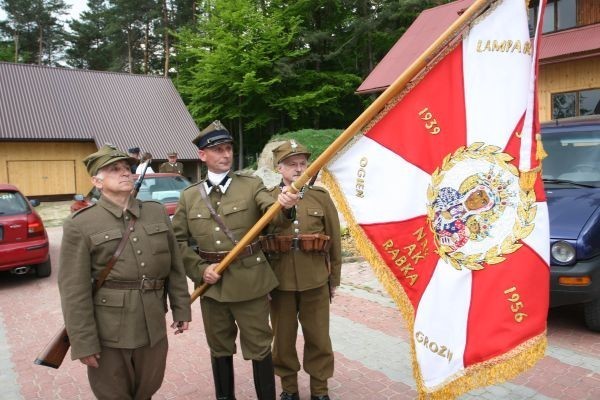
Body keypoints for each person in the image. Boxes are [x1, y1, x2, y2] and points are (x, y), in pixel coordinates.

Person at [172, 121, 299, 400]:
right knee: (219, 349)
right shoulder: (190, 196)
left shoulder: (251, 185)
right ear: (203, 156)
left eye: (228, 148)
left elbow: (273, 218)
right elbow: (177, 242)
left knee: (259, 347)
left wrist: (285, 206)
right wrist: (200, 269)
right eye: (217, 150)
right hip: (212, 287)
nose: (226, 154)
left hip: (250, 283)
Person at [58, 144, 192, 400]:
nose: (124, 173)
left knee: (147, 390)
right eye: (113, 169)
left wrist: (181, 308)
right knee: (114, 394)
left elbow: (175, 267)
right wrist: (83, 341)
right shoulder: (81, 224)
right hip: (109, 332)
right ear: (96, 180)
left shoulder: (155, 212)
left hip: (153, 323)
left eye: (126, 168)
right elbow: (73, 290)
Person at [261, 140, 341, 400]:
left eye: (302, 164)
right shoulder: (268, 199)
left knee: (318, 338)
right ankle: (289, 390)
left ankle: (320, 391)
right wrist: (263, 285)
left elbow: (334, 242)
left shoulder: (320, 197)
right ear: (279, 168)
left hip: (315, 280)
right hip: (280, 282)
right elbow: (259, 243)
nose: (298, 169)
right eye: (292, 164)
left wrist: (334, 280)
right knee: (282, 341)